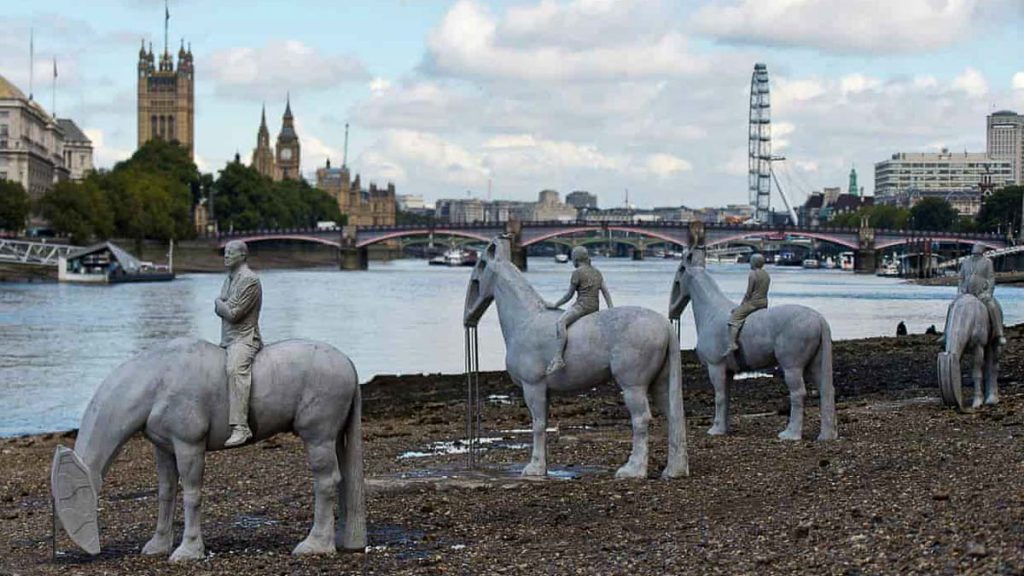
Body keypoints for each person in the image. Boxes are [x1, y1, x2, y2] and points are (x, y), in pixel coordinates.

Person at [216, 240, 263, 447]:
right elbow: (226, 305)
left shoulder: (250, 280)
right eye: (225, 252)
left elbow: (233, 314)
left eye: (230, 253)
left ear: (243, 256)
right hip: (227, 339)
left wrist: (218, 305)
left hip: (244, 339)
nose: (226, 256)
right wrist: (222, 305)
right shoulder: (229, 278)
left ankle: (241, 427)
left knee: (236, 370)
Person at [544, 246, 613, 375]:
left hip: (582, 306)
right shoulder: (597, 272)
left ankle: (558, 357)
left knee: (561, 323)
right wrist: (611, 309)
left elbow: (568, 295)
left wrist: (555, 305)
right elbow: (605, 292)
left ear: (576, 259)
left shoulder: (577, 273)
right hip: (595, 307)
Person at [959, 243, 1006, 346]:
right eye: (975, 253)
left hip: (982, 294)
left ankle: (999, 334)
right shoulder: (965, 262)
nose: (976, 254)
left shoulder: (987, 262)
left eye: (978, 253)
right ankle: (946, 333)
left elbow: (991, 278)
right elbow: (961, 278)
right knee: (952, 306)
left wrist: (988, 293)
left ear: (982, 252)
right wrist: (960, 290)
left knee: (992, 307)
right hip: (966, 293)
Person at [728, 253, 770, 354]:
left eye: (751, 261)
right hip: (764, 302)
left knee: (734, 318)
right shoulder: (766, 274)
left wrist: (741, 306)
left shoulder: (753, 274)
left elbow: (748, 293)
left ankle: (732, 343)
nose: (749, 263)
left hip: (754, 303)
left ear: (754, 263)